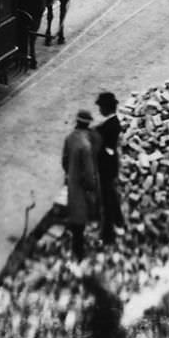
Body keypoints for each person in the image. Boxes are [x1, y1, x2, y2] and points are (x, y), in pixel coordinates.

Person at [62, 108, 101, 261]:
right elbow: (89, 173)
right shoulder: (86, 145)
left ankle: (76, 245)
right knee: (81, 219)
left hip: (72, 182)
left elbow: (64, 162)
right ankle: (79, 254)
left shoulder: (70, 138)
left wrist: (71, 173)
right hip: (82, 187)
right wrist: (92, 188)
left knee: (75, 215)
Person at [91, 91, 124, 247]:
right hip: (110, 167)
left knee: (107, 201)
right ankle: (119, 221)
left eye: (101, 107)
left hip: (106, 168)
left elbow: (108, 150)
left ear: (106, 108)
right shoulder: (111, 123)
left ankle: (108, 236)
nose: (99, 110)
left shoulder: (111, 126)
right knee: (112, 195)